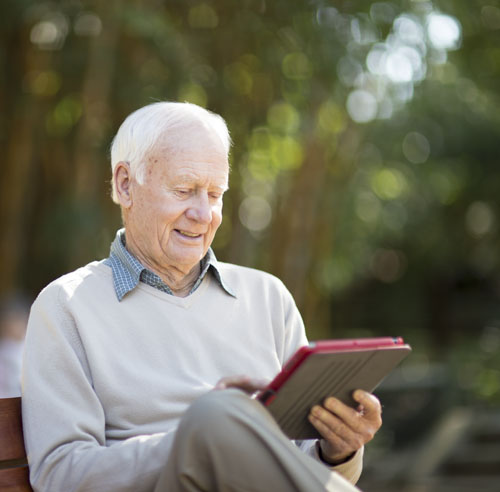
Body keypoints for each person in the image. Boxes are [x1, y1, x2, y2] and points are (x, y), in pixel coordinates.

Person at [22, 102, 382, 492]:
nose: (204, 213)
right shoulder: (66, 307)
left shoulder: (269, 298)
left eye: (215, 194)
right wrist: (200, 439)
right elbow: (59, 476)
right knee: (217, 415)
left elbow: (301, 466)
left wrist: (338, 450)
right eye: (184, 190)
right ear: (125, 185)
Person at [0, 292, 29, 398]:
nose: (12, 325)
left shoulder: (32, 347)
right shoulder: (3, 349)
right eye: (8, 320)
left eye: (17, 319)